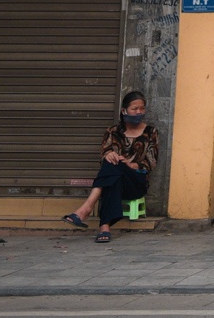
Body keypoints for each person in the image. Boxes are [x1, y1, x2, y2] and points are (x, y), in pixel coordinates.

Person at [62, 91, 160, 243]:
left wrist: (129, 164)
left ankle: (87, 210)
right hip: (114, 180)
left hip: (136, 181)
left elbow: (150, 162)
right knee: (111, 170)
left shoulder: (151, 132)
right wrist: (108, 155)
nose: (139, 112)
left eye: (142, 108)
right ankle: (104, 228)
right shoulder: (112, 132)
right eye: (135, 109)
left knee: (115, 168)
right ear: (124, 111)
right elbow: (104, 154)